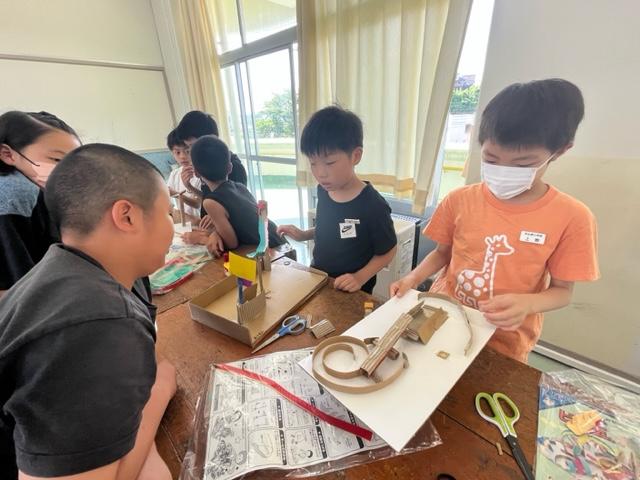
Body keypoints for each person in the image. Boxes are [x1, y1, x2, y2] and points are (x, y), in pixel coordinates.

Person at [0, 143, 177, 479]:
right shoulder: (95, 323)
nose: (173, 223)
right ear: (127, 216)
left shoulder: (69, 270)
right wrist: (160, 390)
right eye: (168, 212)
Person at [391, 79, 599, 362]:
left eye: (523, 164)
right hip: (442, 318)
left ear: (560, 150)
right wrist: (413, 278)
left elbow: (562, 292)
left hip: (504, 340)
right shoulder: (460, 199)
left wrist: (528, 303)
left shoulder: (573, 217)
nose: (503, 171)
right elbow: (442, 254)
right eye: (491, 158)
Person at [277, 106, 397, 294]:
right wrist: (303, 235)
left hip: (352, 291)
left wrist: (359, 277)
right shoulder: (324, 191)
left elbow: (388, 250)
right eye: (313, 163)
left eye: (329, 163)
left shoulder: (373, 205)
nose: (320, 173)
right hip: (319, 278)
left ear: (355, 156)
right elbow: (331, 228)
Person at [0, 110, 81, 296]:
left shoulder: (38, 191)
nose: (70, 170)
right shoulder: (15, 194)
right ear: (7, 154)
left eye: (74, 161)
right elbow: (19, 288)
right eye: (57, 159)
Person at [189, 135, 283, 256]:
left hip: (270, 253)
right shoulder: (240, 187)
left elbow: (231, 243)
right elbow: (242, 223)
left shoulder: (210, 202)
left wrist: (202, 239)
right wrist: (215, 233)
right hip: (279, 241)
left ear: (196, 173)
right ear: (230, 167)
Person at [165, 128, 202, 219]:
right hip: (185, 219)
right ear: (172, 153)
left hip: (200, 221)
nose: (182, 156)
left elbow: (197, 204)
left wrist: (176, 194)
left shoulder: (201, 174)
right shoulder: (174, 174)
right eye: (177, 152)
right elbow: (167, 194)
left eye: (187, 151)